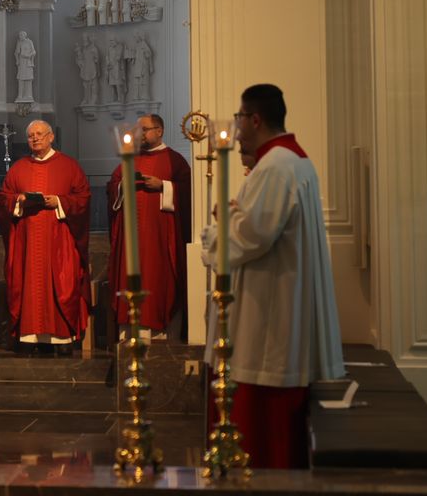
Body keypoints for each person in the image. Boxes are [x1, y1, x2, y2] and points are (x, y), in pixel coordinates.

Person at [201, 84, 344, 468]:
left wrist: (215, 232)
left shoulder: (277, 165)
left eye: (239, 118)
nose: (237, 126)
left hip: (265, 327)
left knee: (262, 447)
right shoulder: (291, 162)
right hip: (276, 314)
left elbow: (252, 235)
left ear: (255, 119)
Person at [0, 121, 90, 355]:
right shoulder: (18, 168)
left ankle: (61, 339)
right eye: (30, 136)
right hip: (27, 242)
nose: (35, 139)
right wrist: (19, 201)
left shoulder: (69, 166)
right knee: (28, 285)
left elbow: (83, 198)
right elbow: (2, 199)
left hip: (60, 242)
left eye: (39, 134)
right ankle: (29, 338)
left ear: (50, 137)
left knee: (62, 283)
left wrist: (58, 201)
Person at [107, 113, 192, 338]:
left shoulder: (175, 160)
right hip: (131, 238)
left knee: (159, 280)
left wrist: (163, 186)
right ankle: (130, 334)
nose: (140, 134)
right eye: (138, 130)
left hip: (161, 237)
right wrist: (122, 184)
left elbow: (188, 193)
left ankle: (163, 334)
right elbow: (113, 186)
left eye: (144, 129)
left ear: (159, 131)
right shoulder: (130, 158)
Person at [75, 33, 100, 105]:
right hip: (86, 69)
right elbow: (80, 60)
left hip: (92, 68)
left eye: (86, 39)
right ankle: (86, 98)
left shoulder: (93, 48)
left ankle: (94, 98)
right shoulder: (83, 50)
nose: (84, 41)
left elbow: (97, 59)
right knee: (86, 84)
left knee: (94, 83)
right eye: (83, 39)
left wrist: (95, 55)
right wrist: (78, 56)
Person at [14, 31, 36, 103]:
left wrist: (29, 55)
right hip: (22, 63)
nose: (20, 36)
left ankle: (28, 95)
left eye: (21, 35)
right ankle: (20, 95)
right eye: (19, 35)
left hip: (28, 63)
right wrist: (17, 60)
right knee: (21, 78)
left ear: (24, 35)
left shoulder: (29, 42)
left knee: (28, 79)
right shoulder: (19, 43)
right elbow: (16, 52)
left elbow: (34, 51)